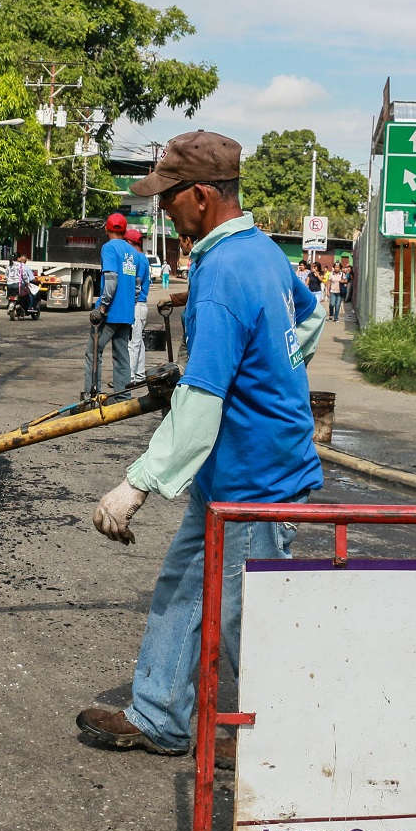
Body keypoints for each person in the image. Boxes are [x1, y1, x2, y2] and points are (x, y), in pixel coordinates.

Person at [76, 130, 326, 764]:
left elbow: (201, 403)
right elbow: (310, 316)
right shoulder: (264, 252)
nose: (161, 209)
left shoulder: (221, 274)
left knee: (244, 617)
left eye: (169, 196)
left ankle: (279, 741)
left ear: (203, 195)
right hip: (234, 466)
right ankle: (160, 715)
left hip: (256, 474)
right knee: (186, 585)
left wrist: (134, 485)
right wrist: (276, 364)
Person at [85, 213, 141, 401]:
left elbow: (111, 280)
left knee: (93, 352)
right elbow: (137, 287)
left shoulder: (108, 248)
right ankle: (123, 397)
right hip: (126, 313)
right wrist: (129, 306)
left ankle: (91, 395)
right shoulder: (133, 253)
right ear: (125, 231)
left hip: (109, 314)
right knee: (122, 356)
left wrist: (102, 308)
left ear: (106, 229)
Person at [125, 226, 150, 377]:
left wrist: (130, 304)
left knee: (132, 343)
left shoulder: (137, 259)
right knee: (138, 342)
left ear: (129, 242)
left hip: (137, 304)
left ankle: (130, 376)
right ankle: (139, 374)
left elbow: (137, 283)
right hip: (142, 305)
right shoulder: (144, 258)